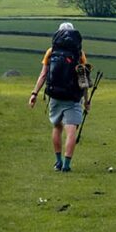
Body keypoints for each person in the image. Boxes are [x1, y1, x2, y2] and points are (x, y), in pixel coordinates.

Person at [29, 22, 89, 172]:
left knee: (57, 127)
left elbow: (43, 74)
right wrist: (86, 101)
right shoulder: (79, 53)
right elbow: (83, 80)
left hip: (55, 95)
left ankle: (58, 162)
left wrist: (34, 94)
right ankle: (67, 166)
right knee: (71, 131)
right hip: (73, 96)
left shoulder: (51, 51)